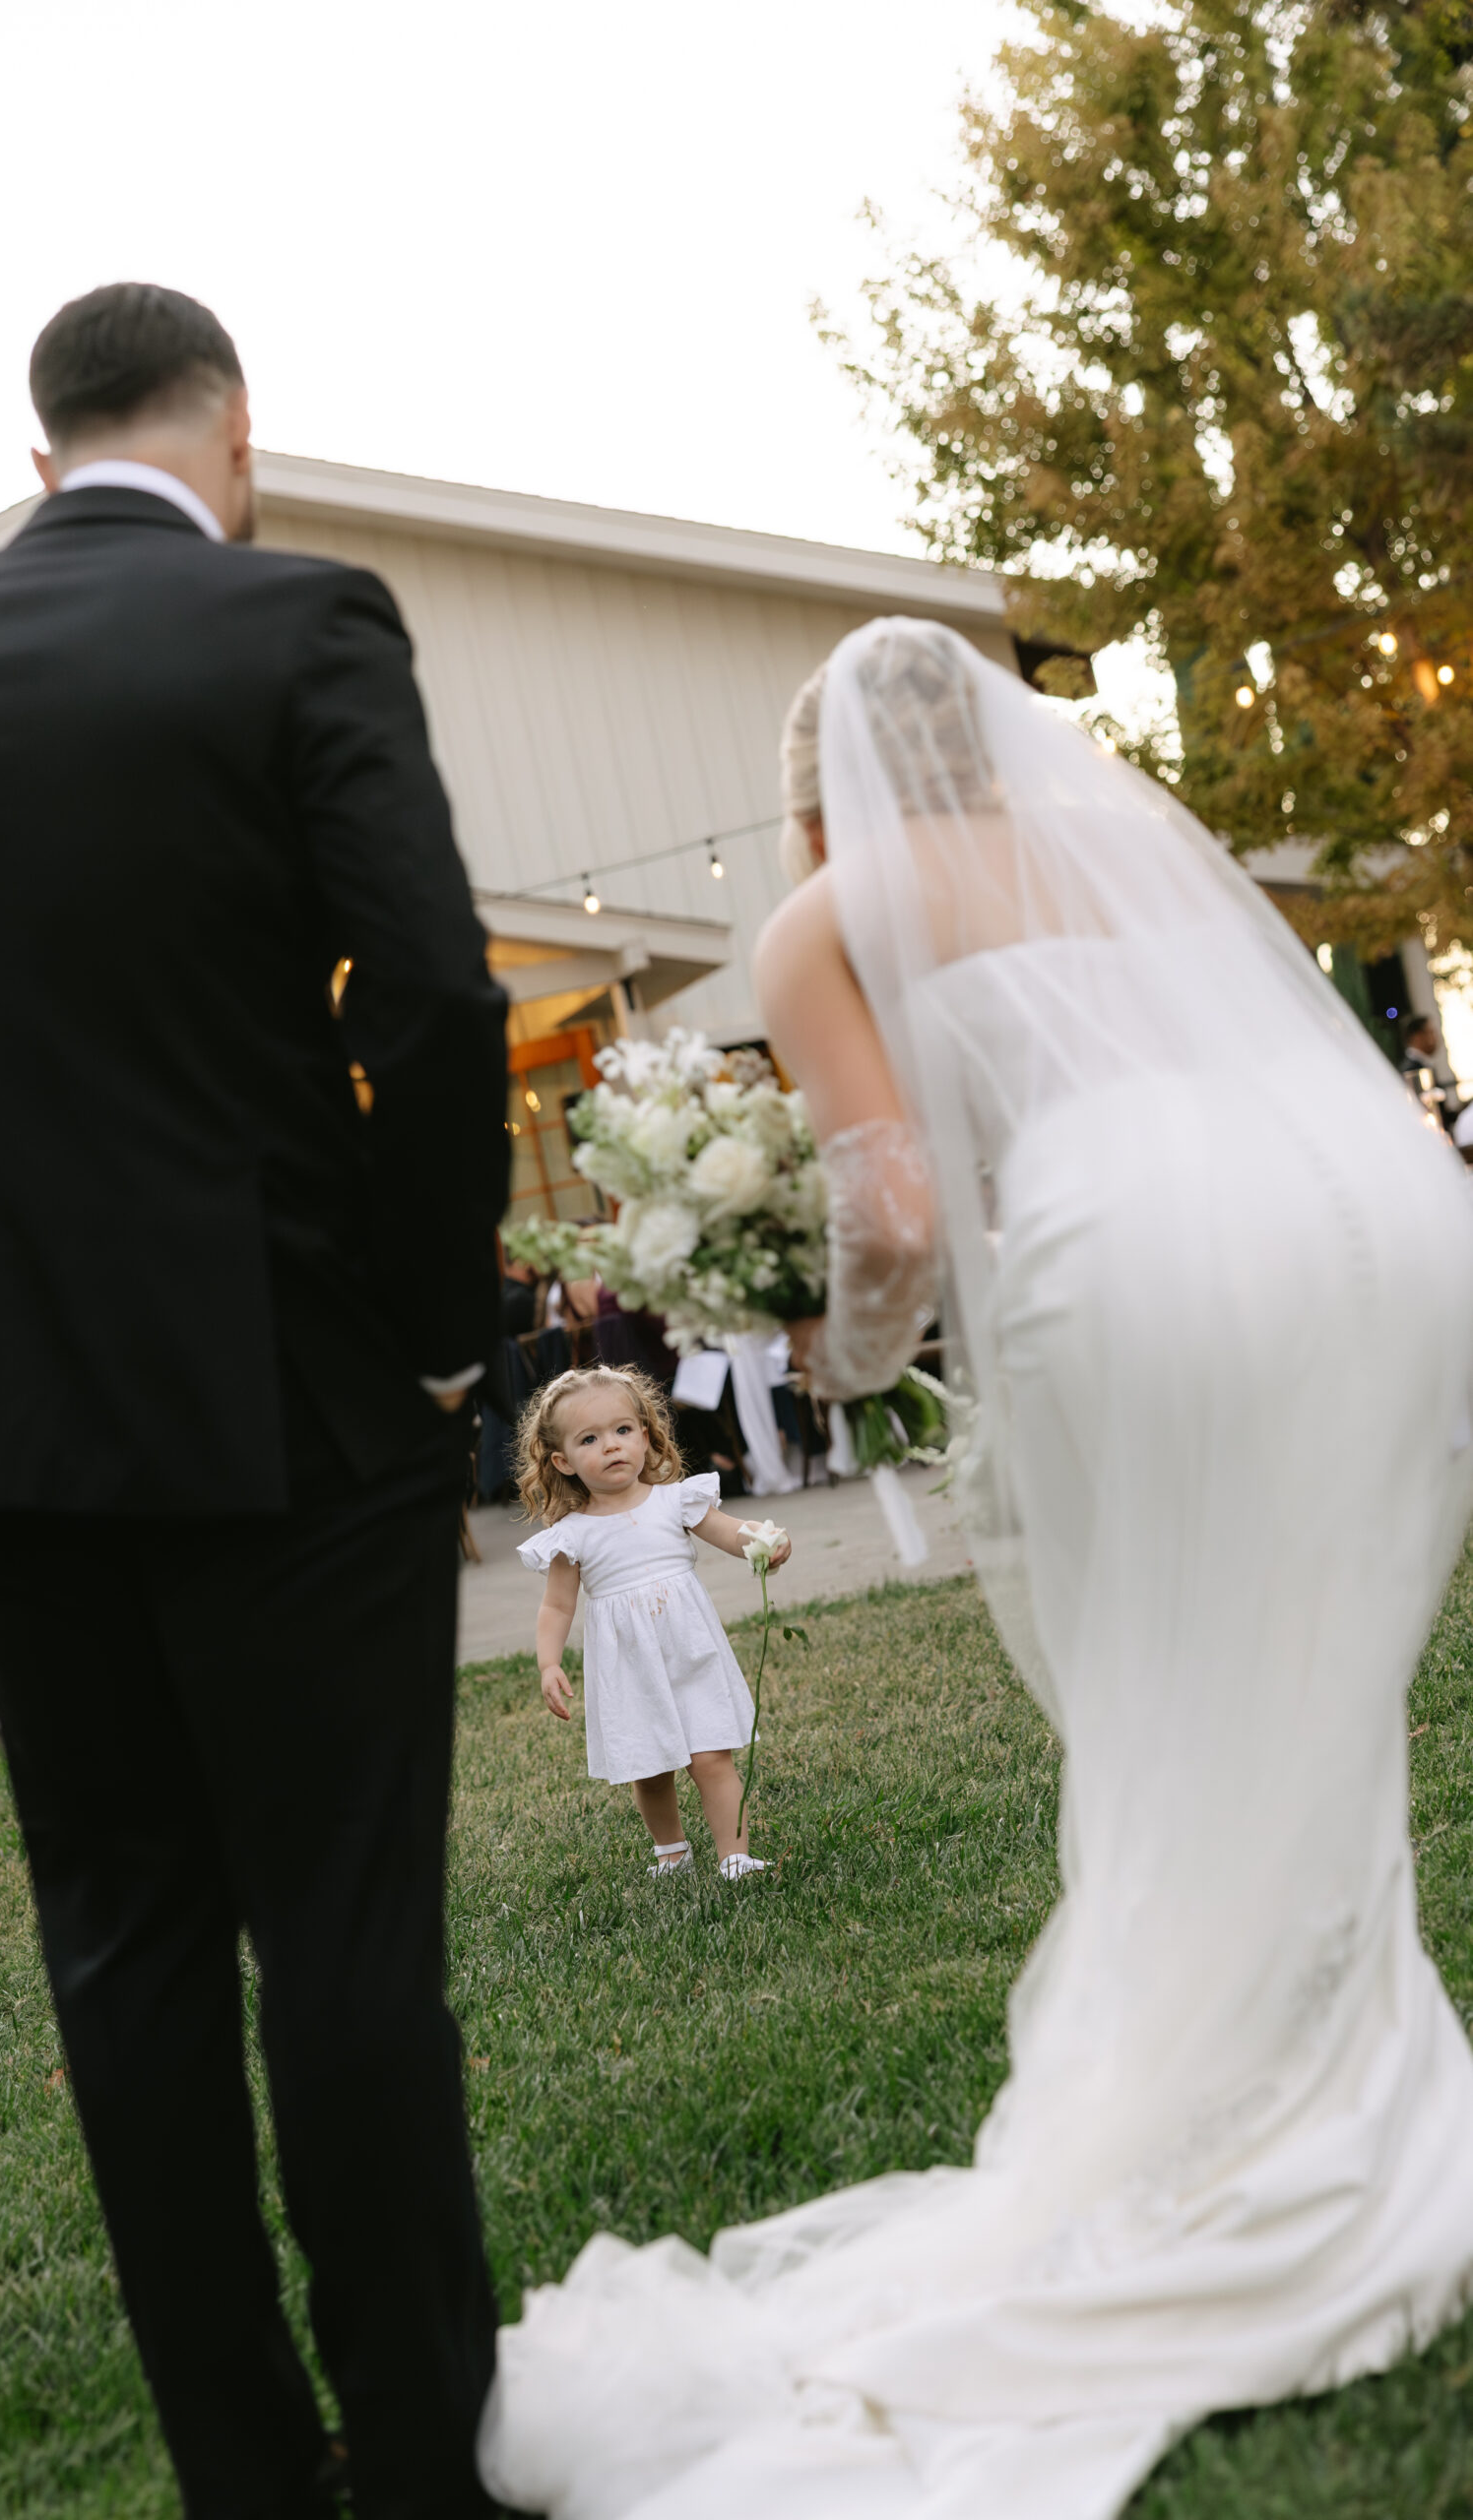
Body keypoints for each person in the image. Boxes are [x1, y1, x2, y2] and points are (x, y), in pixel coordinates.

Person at [480, 618, 1473, 2520]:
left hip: (1152, 1264)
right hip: (1362, 1231)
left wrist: (825, 1345)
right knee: (1294, 1666)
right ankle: (1340, 2068)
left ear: (813, 793)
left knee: (1169, 1685)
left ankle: (1237, 2120)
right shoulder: (1113, 859)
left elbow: (902, 1210)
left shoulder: (833, 908)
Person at [0, 283, 509, 2520]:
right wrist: (429, 1318)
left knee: (120, 1942)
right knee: (347, 1925)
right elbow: (427, 990)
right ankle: (417, 2450)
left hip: (12, 1432)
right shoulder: (296, 621)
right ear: (235, 437)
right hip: (288, 1388)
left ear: (39, 459)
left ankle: (241, 2469)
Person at [514, 1365, 790, 1881]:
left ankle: (735, 1856)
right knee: (651, 1767)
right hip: (629, 1666)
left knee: (712, 1757)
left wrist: (763, 1541)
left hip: (690, 1651)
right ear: (563, 1461)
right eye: (589, 1439)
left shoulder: (675, 1500)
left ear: (645, 1434)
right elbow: (556, 1607)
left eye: (622, 1430)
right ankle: (672, 1852)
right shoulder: (572, 1536)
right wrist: (548, 1661)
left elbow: (731, 1532)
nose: (611, 1446)